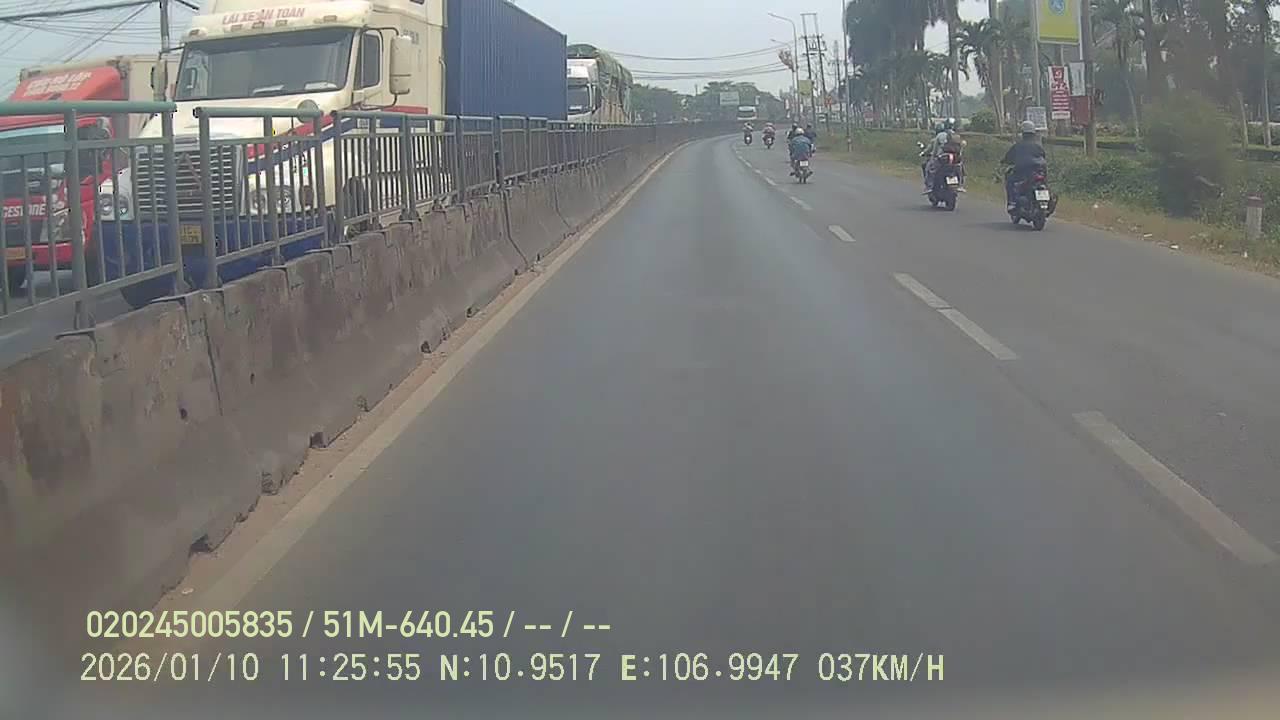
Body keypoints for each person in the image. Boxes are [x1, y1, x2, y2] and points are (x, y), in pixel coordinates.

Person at [1001, 120, 1047, 210]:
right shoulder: (1038, 146)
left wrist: (1003, 161)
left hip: (1022, 173)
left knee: (1010, 181)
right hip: (1038, 173)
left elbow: (1008, 158)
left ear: (1022, 133)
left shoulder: (1017, 146)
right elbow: (1043, 157)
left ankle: (1012, 202)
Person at [922, 118, 961, 193]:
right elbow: (959, 148)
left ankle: (929, 186)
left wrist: (933, 157)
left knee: (930, 169)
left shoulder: (940, 135)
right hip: (955, 158)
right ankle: (960, 185)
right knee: (959, 168)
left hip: (942, 158)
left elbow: (935, 149)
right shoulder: (956, 135)